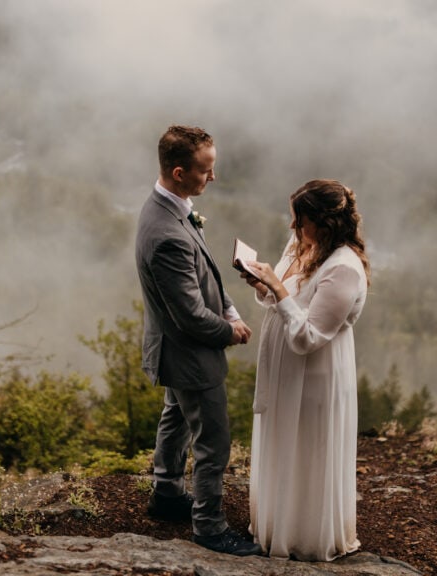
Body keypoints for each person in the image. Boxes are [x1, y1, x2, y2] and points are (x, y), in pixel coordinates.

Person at [134, 125, 262, 557]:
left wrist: (230, 308)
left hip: (173, 348)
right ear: (177, 171)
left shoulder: (171, 206)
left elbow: (205, 272)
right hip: (188, 352)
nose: (214, 177)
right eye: (206, 170)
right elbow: (188, 315)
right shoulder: (167, 234)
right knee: (213, 441)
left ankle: (166, 493)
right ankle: (209, 526)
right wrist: (231, 331)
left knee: (174, 417)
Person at [238, 179, 370, 561]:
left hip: (315, 375)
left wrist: (278, 289)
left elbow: (310, 336)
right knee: (282, 441)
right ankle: (276, 523)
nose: (294, 228)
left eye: (300, 221)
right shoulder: (300, 244)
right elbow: (279, 299)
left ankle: (304, 535)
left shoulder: (343, 267)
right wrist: (263, 284)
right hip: (285, 370)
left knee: (307, 447)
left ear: (324, 222)